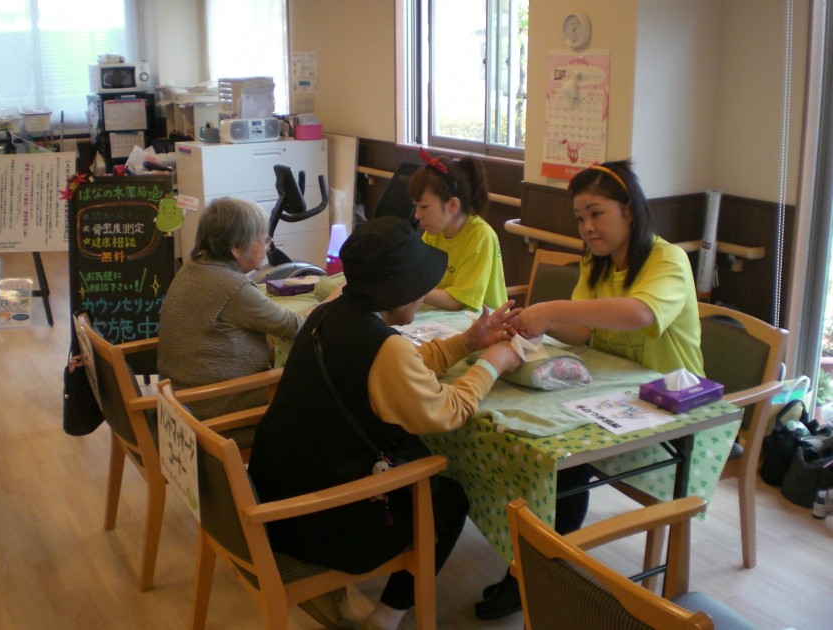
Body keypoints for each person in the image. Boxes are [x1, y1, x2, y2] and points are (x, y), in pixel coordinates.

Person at [248, 216, 522, 630]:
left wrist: (467, 343)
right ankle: (386, 617)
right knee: (447, 498)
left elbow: (402, 365)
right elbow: (446, 411)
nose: (425, 294)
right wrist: (493, 363)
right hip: (319, 523)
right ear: (397, 290)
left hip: (274, 495)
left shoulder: (327, 315)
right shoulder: (383, 348)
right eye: (420, 286)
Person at [476, 159, 704, 620]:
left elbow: (640, 314)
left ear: (630, 212)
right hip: (615, 392)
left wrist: (553, 308)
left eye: (596, 213)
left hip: (669, 406)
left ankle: (536, 575)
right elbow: (582, 331)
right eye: (580, 217)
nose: (587, 228)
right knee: (530, 444)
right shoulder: (597, 264)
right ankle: (531, 563)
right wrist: (540, 327)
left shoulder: (668, 260)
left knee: (561, 466)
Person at [158, 197, 305, 419]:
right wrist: (331, 303)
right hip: (217, 412)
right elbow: (295, 327)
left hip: (183, 404)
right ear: (236, 247)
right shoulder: (233, 287)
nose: (267, 246)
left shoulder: (191, 269)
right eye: (264, 239)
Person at [408, 146, 508, 312]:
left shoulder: (480, 236)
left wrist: (410, 290)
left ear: (453, 205)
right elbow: (419, 276)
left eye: (424, 207)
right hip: (448, 320)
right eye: (416, 207)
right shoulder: (434, 232)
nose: (417, 215)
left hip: (485, 324)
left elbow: (458, 301)